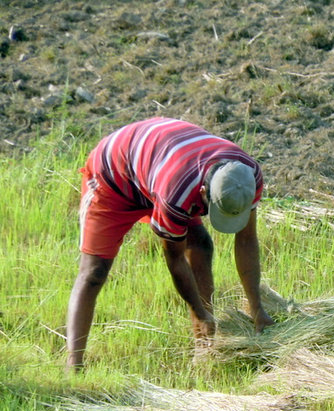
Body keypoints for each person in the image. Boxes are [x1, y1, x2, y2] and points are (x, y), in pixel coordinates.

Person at [66, 117, 274, 370]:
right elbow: (174, 259)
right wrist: (198, 311)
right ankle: (73, 366)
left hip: (160, 162)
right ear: (204, 193)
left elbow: (246, 239)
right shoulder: (177, 194)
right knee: (94, 272)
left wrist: (256, 308)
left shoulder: (246, 176)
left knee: (201, 246)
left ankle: (204, 345)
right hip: (114, 175)